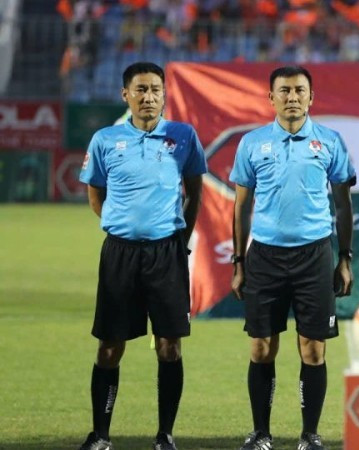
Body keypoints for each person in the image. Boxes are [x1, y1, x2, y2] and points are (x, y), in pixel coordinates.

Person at [78, 62, 208, 450]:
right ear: (126, 95)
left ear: (165, 95)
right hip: (119, 254)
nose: (148, 97)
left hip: (167, 252)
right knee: (109, 345)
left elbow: (195, 191)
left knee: (169, 346)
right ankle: (100, 435)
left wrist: (179, 234)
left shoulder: (183, 136)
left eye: (155, 89)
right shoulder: (105, 140)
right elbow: (95, 194)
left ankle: (165, 435)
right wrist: (122, 224)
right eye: (141, 90)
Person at [229, 65, 355, 450]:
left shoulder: (331, 141)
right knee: (261, 347)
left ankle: (309, 435)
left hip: (314, 255)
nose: (292, 97)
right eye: (284, 91)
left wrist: (345, 258)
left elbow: (344, 206)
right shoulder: (252, 143)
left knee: (313, 349)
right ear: (271, 98)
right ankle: (261, 433)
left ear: (311, 97)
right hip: (264, 256)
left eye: (300, 90)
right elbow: (240, 208)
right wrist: (238, 261)